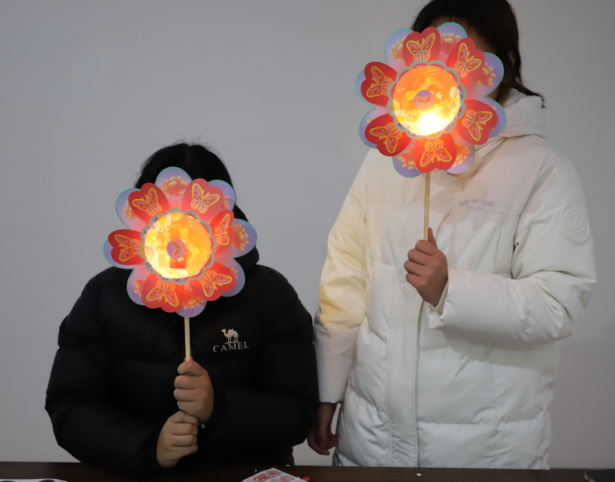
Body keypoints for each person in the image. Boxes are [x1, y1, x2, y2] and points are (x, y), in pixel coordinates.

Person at [309, 0, 596, 469]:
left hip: (486, 455)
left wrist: (451, 291)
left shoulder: (541, 169)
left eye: (462, 55)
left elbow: (558, 303)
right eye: (431, 51)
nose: (443, 70)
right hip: (373, 443)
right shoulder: (385, 159)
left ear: (504, 63)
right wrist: (329, 388)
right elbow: (346, 277)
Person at [46, 143, 319, 477]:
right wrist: (150, 446)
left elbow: (297, 412)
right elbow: (70, 406)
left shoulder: (270, 294)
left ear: (224, 212)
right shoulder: (104, 296)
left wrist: (218, 408)